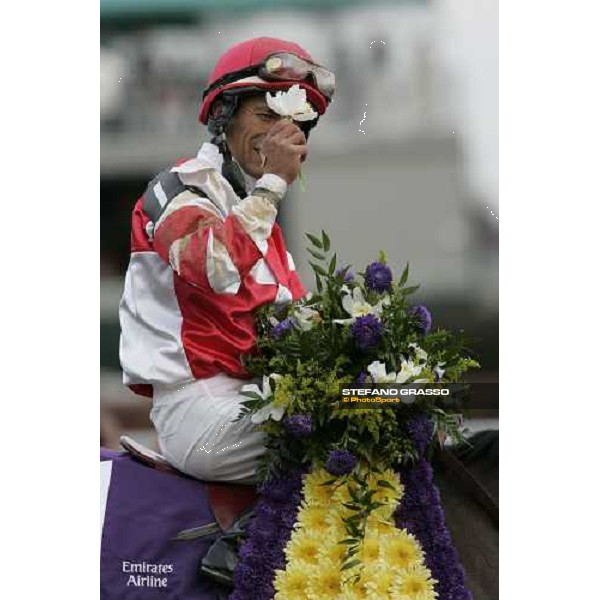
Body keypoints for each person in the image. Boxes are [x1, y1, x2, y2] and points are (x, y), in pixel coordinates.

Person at [118, 37, 335, 483]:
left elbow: (297, 327)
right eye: (266, 113)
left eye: (293, 120)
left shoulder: (261, 223)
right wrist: (274, 181)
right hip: (197, 412)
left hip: (258, 398)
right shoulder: (177, 188)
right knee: (337, 431)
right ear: (223, 116)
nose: (281, 131)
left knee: (383, 408)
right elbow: (212, 266)